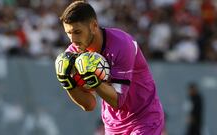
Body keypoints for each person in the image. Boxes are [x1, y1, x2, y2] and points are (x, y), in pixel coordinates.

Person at [55, 1, 164, 134]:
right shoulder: (74, 53)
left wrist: (94, 81)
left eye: (77, 32)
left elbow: (118, 100)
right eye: (68, 33)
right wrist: (67, 83)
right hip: (113, 124)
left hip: (143, 118)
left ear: (94, 26)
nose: (72, 39)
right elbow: (89, 105)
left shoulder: (122, 44)